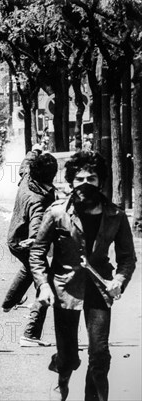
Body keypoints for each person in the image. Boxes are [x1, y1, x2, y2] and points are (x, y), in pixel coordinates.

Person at [30, 151, 137, 401]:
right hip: (64, 289)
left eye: (92, 178)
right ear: (70, 182)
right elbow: (37, 252)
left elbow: (127, 258)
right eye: (79, 179)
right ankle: (62, 376)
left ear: (101, 181)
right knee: (68, 355)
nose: (85, 184)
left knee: (99, 354)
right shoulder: (57, 212)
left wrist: (119, 281)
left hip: (99, 288)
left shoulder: (116, 215)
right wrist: (43, 285)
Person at [2, 153, 58, 347]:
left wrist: (35, 150)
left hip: (14, 239)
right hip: (28, 244)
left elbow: (26, 162)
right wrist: (36, 241)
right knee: (45, 284)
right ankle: (31, 334)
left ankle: (9, 302)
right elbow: (37, 229)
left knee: (27, 269)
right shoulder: (38, 200)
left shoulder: (27, 176)